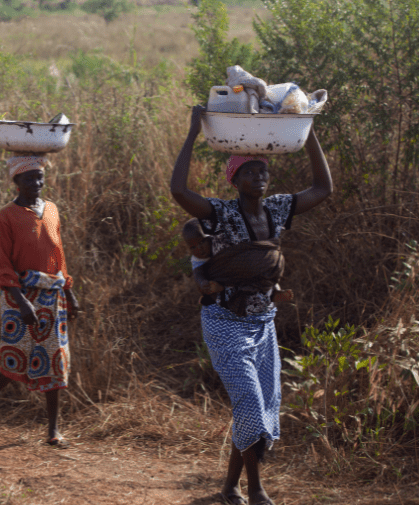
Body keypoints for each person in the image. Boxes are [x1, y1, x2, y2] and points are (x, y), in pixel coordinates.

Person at [170, 105, 332, 505]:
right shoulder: (220, 213)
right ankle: (257, 488)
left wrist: (306, 129)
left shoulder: (277, 209)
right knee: (249, 404)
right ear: (235, 178)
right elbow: (179, 191)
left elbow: (323, 189)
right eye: (250, 172)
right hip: (225, 319)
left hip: (263, 322)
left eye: (263, 171)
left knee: (262, 407)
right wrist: (193, 132)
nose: (259, 177)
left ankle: (229, 487)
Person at [0, 155, 80, 447]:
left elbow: (58, 255)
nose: (37, 183)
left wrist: (68, 291)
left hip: (52, 293)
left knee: (55, 358)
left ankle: (53, 429)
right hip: (18, 294)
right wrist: (21, 301)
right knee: (17, 353)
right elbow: (3, 263)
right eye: (29, 178)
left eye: (39, 177)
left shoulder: (51, 210)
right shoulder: (6, 216)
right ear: (16, 182)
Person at [182, 218, 293, 312]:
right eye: (193, 247)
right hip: (228, 285)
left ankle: (274, 293)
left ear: (209, 237)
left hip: (250, 270)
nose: (199, 249)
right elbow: (198, 273)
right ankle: (268, 297)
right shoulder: (196, 258)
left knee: (264, 280)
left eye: (201, 242)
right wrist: (202, 282)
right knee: (229, 296)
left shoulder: (219, 242)